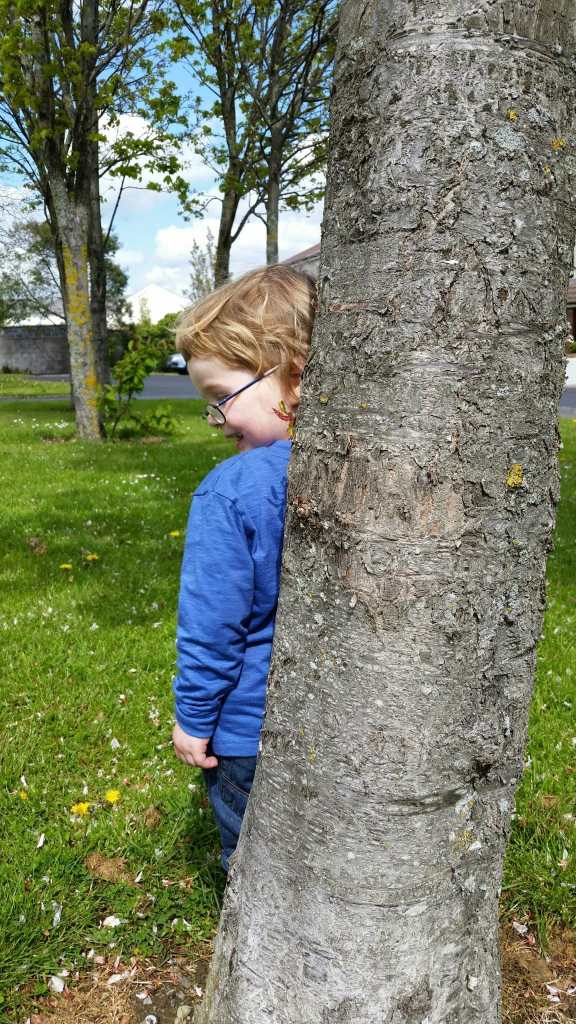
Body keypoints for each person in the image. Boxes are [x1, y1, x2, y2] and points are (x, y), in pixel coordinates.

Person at [171, 265, 316, 870]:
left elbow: (213, 622)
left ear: (288, 367)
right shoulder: (356, 466)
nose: (219, 421)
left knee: (254, 863)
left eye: (220, 399)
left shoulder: (231, 490)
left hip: (244, 731)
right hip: (329, 727)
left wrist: (192, 718)